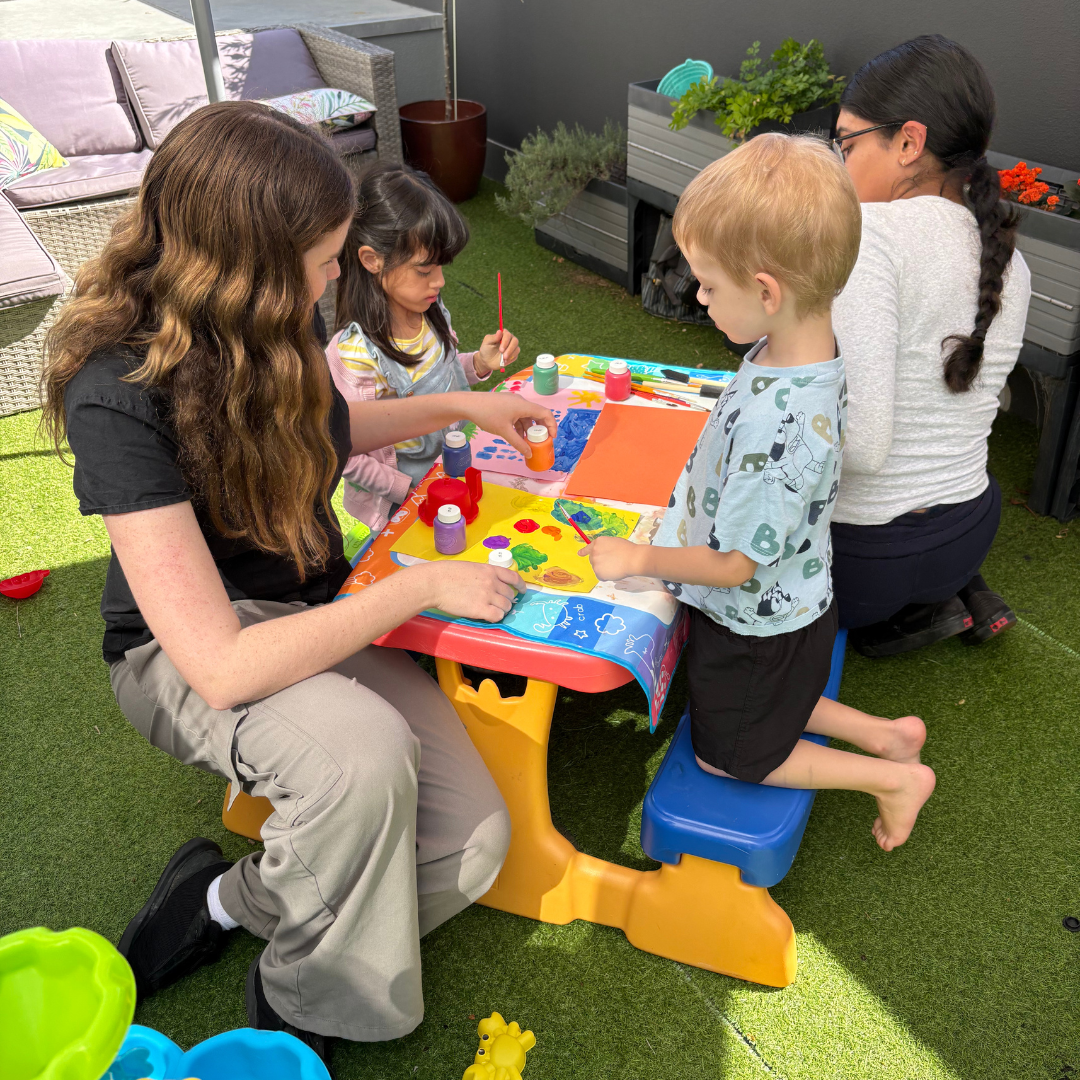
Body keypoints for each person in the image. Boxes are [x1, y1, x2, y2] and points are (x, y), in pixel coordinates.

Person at [41, 101, 556, 1065]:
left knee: (474, 844)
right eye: (324, 261)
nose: (336, 276)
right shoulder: (119, 391)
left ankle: (223, 901)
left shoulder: (272, 318)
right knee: (362, 760)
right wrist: (417, 589)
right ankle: (299, 1004)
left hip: (313, 609)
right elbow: (221, 665)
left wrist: (465, 400)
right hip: (189, 649)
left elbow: (330, 429)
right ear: (245, 265)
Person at [583, 135, 936, 851]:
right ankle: (886, 735)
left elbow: (734, 565)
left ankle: (893, 779)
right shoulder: (801, 349)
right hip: (797, 603)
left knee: (737, 750)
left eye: (708, 285)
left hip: (756, 620)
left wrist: (636, 559)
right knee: (785, 698)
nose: (700, 297)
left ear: (767, 291)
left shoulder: (778, 423)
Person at [829, 35, 1031, 657]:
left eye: (847, 143)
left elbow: (861, 449)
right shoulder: (1009, 259)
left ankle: (887, 621)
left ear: (909, 143)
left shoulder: (872, 236)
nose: (840, 164)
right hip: (968, 531)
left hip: (863, 563)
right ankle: (944, 600)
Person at [325, 162, 520, 533]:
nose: (440, 281)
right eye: (424, 270)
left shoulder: (429, 309)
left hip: (455, 465)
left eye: (442, 267)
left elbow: (441, 379)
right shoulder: (355, 354)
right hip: (408, 500)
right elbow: (344, 448)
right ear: (372, 260)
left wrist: (478, 363)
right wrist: (407, 489)